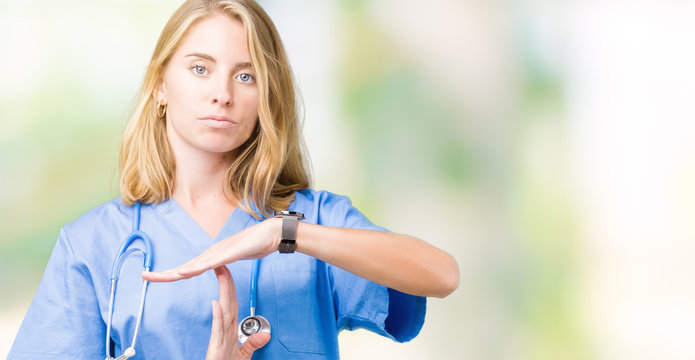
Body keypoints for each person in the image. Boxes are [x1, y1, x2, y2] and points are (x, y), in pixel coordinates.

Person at [8, 0, 459, 359]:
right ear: (160, 86)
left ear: (267, 97)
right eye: (200, 68)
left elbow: (441, 274)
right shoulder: (95, 245)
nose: (222, 93)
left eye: (246, 76)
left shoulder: (317, 219)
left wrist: (287, 233)